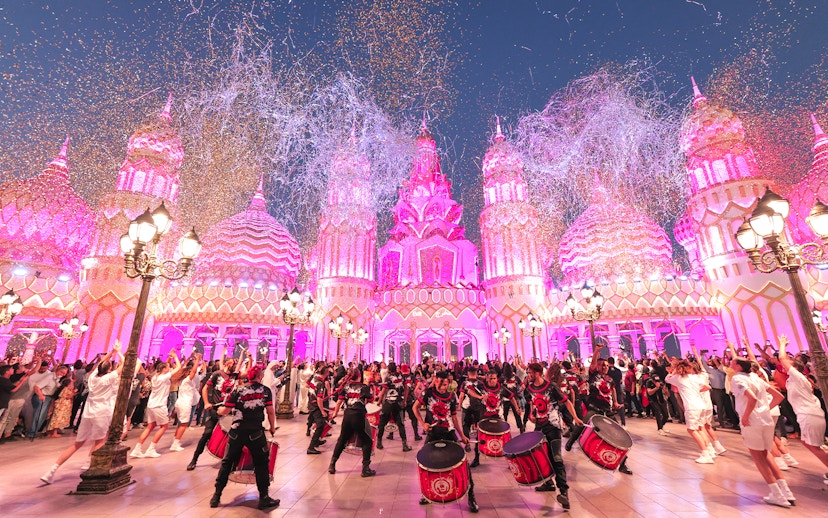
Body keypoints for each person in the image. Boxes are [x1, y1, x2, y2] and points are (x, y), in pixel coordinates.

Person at [40, 343, 125, 484]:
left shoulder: (92, 377)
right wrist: (119, 352)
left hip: (88, 413)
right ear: (109, 369)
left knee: (77, 444)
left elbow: (100, 364)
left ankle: (52, 470)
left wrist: (112, 352)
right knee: (99, 442)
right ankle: (92, 469)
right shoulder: (107, 378)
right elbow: (124, 365)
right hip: (101, 413)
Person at [209, 366, 279, 510]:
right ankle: (264, 497)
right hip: (256, 433)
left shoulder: (238, 390)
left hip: (237, 432)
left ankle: (216, 496)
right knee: (261, 464)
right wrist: (272, 427)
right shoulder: (265, 391)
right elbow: (270, 411)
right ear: (260, 376)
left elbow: (225, 410)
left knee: (227, 462)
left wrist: (217, 409)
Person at [730, 356, 795, 507]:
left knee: (758, 457)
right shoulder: (754, 376)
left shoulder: (738, 378)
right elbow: (778, 396)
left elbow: (751, 398)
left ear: (739, 366)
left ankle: (777, 494)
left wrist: (746, 417)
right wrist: (764, 410)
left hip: (753, 421)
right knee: (766, 454)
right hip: (765, 420)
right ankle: (786, 491)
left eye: (733, 361)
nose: (730, 363)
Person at [413, 370, 478, 513]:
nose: (442, 386)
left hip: (449, 432)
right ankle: (426, 494)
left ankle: (471, 497)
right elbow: (415, 408)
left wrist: (462, 436)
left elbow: (454, 418)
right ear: (435, 380)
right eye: (440, 382)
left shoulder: (451, 396)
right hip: (432, 434)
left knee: (463, 464)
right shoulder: (428, 393)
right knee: (425, 464)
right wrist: (423, 423)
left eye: (445, 383)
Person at [565, 343, 633, 475]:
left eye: (607, 365)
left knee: (619, 436)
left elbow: (612, 390)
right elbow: (594, 364)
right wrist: (596, 351)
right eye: (603, 365)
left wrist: (616, 403)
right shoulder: (593, 375)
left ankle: (623, 464)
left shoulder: (610, 378)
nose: (605, 367)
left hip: (607, 411)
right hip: (594, 408)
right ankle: (571, 441)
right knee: (581, 424)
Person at [525, 362, 581, 510]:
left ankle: (564, 492)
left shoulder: (551, 387)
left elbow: (566, 401)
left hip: (554, 427)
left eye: (529, 372)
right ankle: (548, 483)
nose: (528, 375)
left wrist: (575, 417)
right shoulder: (529, 388)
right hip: (539, 428)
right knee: (542, 457)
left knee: (556, 458)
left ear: (537, 373)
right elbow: (532, 402)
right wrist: (532, 413)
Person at [777, 335, 828, 486]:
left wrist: (782, 345)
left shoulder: (799, 377)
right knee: (807, 443)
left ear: (796, 368)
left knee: (813, 446)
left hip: (809, 414)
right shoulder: (793, 379)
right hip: (806, 414)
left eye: (790, 366)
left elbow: (782, 359)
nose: (785, 367)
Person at [130, 351, 182, 458]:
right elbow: (178, 368)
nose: (169, 368)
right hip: (159, 405)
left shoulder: (155, 377)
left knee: (150, 426)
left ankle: (137, 449)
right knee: (164, 426)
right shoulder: (163, 377)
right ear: (163, 370)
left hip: (151, 404)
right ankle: (151, 449)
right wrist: (176, 357)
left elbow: (165, 365)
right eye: (167, 368)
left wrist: (169, 357)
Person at [187, 356, 235, 471]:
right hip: (215, 408)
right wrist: (207, 402)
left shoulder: (235, 376)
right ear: (228, 364)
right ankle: (194, 459)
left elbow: (248, 373)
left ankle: (230, 461)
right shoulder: (217, 374)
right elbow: (205, 388)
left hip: (228, 410)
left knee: (233, 436)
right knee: (207, 434)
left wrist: (249, 358)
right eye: (233, 364)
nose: (235, 366)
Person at [329, 368, 376, 477]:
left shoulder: (345, 387)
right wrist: (371, 387)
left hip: (347, 415)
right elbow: (371, 399)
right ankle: (365, 468)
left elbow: (339, 401)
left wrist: (335, 413)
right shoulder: (364, 387)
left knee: (342, 439)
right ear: (359, 375)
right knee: (367, 440)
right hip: (358, 416)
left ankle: (332, 464)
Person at [376, 362, 412, 452]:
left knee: (382, 422)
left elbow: (383, 391)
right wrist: (404, 401)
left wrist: (379, 401)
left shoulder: (387, 377)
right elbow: (407, 388)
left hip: (388, 403)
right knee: (401, 424)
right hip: (398, 403)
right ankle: (404, 445)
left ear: (388, 369)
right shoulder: (402, 377)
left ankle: (379, 442)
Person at [170, 354, 202, 452]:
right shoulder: (187, 380)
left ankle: (176, 441)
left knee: (180, 423)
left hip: (180, 402)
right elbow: (194, 371)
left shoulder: (182, 381)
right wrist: (198, 360)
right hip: (185, 403)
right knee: (184, 424)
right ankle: (175, 444)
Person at [306, 365, 331, 454]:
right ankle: (311, 447)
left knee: (317, 422)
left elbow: (307, 384)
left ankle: (316, 441)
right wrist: (322, 411)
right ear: (326, 373)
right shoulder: (321, 383)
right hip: (316, 406)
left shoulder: (314, 379)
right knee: (320, 425)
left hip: (310, 404)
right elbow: (319, 399)